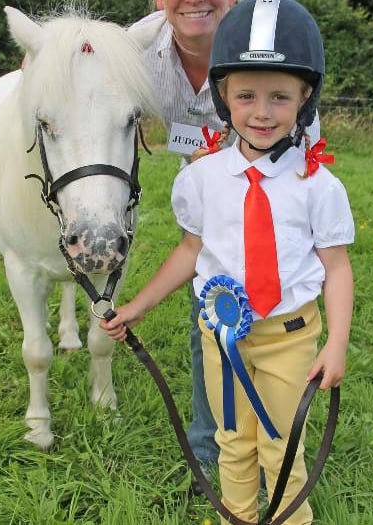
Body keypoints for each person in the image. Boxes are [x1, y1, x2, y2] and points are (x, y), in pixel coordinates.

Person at [103, 0, 354, 523]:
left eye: (280, 97)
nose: (262, 113)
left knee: (283, 448)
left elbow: (337, 268)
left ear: (306, 98)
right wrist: (139, 306)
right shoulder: (200, 179)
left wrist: (335, 344)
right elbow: (191, 252)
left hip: (290, 338)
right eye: (246, 96)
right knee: (233, 442)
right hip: (224, 339)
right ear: (222, 95)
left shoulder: (318, 186)